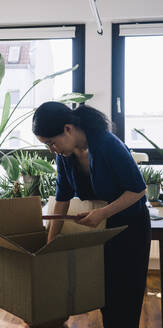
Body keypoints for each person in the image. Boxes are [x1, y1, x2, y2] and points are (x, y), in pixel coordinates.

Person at [32, 101, 151, 328]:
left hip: (129, 228)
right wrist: (49, 247)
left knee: (125, 298)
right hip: (102, 229)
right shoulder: (65, 156)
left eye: (51, 143)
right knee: (105, 294)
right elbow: (62, 197)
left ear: (68, 129)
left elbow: (138, 189)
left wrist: (100, 214)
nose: (52, 149)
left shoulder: (106, 143)